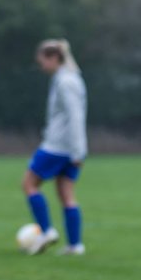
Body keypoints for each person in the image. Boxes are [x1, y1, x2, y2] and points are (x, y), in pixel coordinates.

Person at [21, 39, 88, 256]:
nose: (41, 66)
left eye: (42, 61)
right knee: (66, 193)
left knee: (29, 184)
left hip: (58, 146)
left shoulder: (66, 82)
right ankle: (75, 245)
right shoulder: (68, 79)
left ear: (54, 58)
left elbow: (75, 116)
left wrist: (78, 150)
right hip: (70, 147)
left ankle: (47, 231)